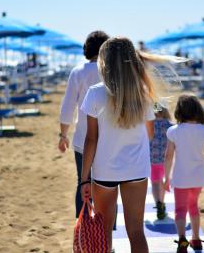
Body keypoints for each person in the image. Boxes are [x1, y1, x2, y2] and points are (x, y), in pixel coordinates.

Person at [80, 37, 177, 253]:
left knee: (104, 231)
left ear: (104, 62)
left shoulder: (95, 93)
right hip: (136, 168)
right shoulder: (142, 93)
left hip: (105, 170)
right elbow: (150, 134)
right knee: (136, 232)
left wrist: (84, 178)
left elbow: (91, 139)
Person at [58, 30, 109, 218]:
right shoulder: (111, 71)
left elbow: (67, 106)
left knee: (83, 183)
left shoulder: (78, 72)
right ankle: (106, 238)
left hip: (82, 138)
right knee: (108, 186)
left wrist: (63, 135)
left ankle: (84, 234)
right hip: (109, 139)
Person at [164, 94, 204, 253]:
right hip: (197, 178)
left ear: (179, 111)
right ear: (198, 110)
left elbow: (168, 157)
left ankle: (182, 240)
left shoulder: (173, 131)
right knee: (193, 207)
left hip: (180, 177)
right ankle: (195, 239)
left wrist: (166, 178)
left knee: (180, 209)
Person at [149, 102, 172, 220]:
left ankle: (157, 203)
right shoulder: (169, 125)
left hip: (151, 159)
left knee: (154, 183)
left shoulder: (149, 124)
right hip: (165, 159)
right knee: (162, 181)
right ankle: (162, 203)